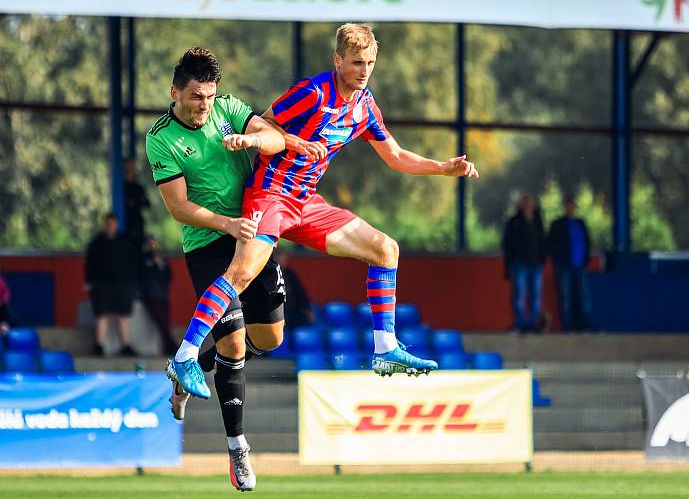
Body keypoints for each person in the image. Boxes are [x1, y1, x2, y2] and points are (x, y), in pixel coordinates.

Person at [171, 23, 479, 399]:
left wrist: (442, 168)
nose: (364, 71)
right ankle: (184, 356)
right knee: (240, 275)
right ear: (337, 60)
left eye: (369, 62)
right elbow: (265, 123)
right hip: (270, 194)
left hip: (305, 202)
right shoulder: (313, 93)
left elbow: (395, 156)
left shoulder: (365, 107)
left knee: (386, 249)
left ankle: (385, 349)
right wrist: (279, 141)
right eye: (355, 62)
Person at [145, 47, 288, 492]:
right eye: (194, 96)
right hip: (208, 244)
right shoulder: (160, 138)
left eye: (208, 96)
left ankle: (184, 373)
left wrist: (252, 140)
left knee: (271, 339)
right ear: (174, 92)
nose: (203, 105)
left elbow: (277, 138)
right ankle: (238, 449)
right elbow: (179, 208)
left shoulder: (229, 110)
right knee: (232, 342)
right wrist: (226, 222)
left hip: (253, 232)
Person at [84, 212, 137, 356]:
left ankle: (126, 346)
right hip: (101, 284)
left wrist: (132, 283)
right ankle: (99, 346)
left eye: (113, 223)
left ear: (116, 224)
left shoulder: (125, 241)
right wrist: (88, 281)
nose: (110, 226)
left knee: (123, 316)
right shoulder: (96, 243)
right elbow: (89, 264)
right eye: (108, 223)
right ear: (104, 224)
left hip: (123, 284)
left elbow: (132, 264)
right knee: (102, 315)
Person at [502, 194, 546, 333]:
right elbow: (507, 244)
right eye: (525, 202)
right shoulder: (514, 222)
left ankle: (533, 324)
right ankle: (520, 324)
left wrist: (542, 258)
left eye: (530, 202)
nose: (527, 205)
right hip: (519, 264)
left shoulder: (538, 221)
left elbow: (543, 241)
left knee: (535, 295)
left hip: (536, 264)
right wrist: (509, 263)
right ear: (521, 205)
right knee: (519, 295)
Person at [548, 197, 592, 332]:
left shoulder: (580, 223)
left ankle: (584, 327)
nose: (570, 209)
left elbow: (587, 242)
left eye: (572, 206)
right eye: (568, 206)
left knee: (583, 298)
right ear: (565, 207)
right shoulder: (557, 224)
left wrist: (585, 260)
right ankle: (567, 328)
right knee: (565, 298)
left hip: (580, 266)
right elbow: (551, 244)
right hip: (564, 267)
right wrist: (557, 261)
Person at [139, 235, 179, 356]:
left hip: (162, 294)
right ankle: (171, 345)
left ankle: (169, 345)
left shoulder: (162, 258)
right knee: (160, 320)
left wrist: (160, 265)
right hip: (150, 295)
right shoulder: (143, 258)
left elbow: (169, 277)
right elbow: (143, 276)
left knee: (165, 321)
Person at [273, 250, 313, 327]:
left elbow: (301, 293)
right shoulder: (268, 274)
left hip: (292, 312)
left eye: (282, 257)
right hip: (275, 313)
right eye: (278, 257)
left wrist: (308, 309)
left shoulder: (290, 274)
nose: (280, 259)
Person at [123, 157, 150, 252]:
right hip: (124, 224)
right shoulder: (120, 187)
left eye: (131, 168)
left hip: (137, 225)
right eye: (127, 168)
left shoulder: (139, 188)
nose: (129, 171)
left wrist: (136, 202)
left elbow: (147, 204)